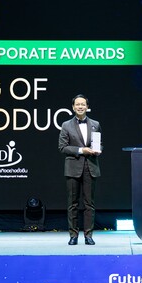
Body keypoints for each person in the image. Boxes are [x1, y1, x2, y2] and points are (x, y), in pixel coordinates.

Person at [58, 94, 102, 245]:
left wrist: (98, 150)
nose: (80, 107)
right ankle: (73, 235)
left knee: (89, 204)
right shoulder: (66, 125)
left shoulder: (95, 124)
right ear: (73, 107)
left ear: (87, 107)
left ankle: (88, 235)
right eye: (77, 104)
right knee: (73, 204)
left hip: (91, 167)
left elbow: (99, 143)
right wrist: (81, 150)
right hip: (73, 168)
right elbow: (62, 147)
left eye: (83, 104)